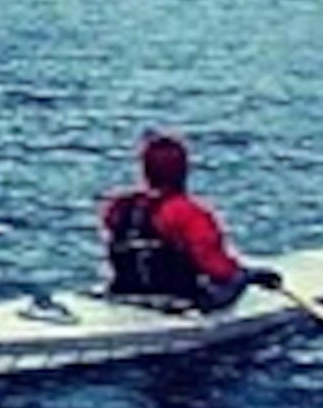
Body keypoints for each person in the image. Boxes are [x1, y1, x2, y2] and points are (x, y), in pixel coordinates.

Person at [101, 131, 275, 309]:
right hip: (180, 300)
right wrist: (247, 276)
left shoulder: (118, 206)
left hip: (125, 292)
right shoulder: (189, 213)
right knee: (236, 279)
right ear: (183, 170)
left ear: (145, 170)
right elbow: (218, 269)